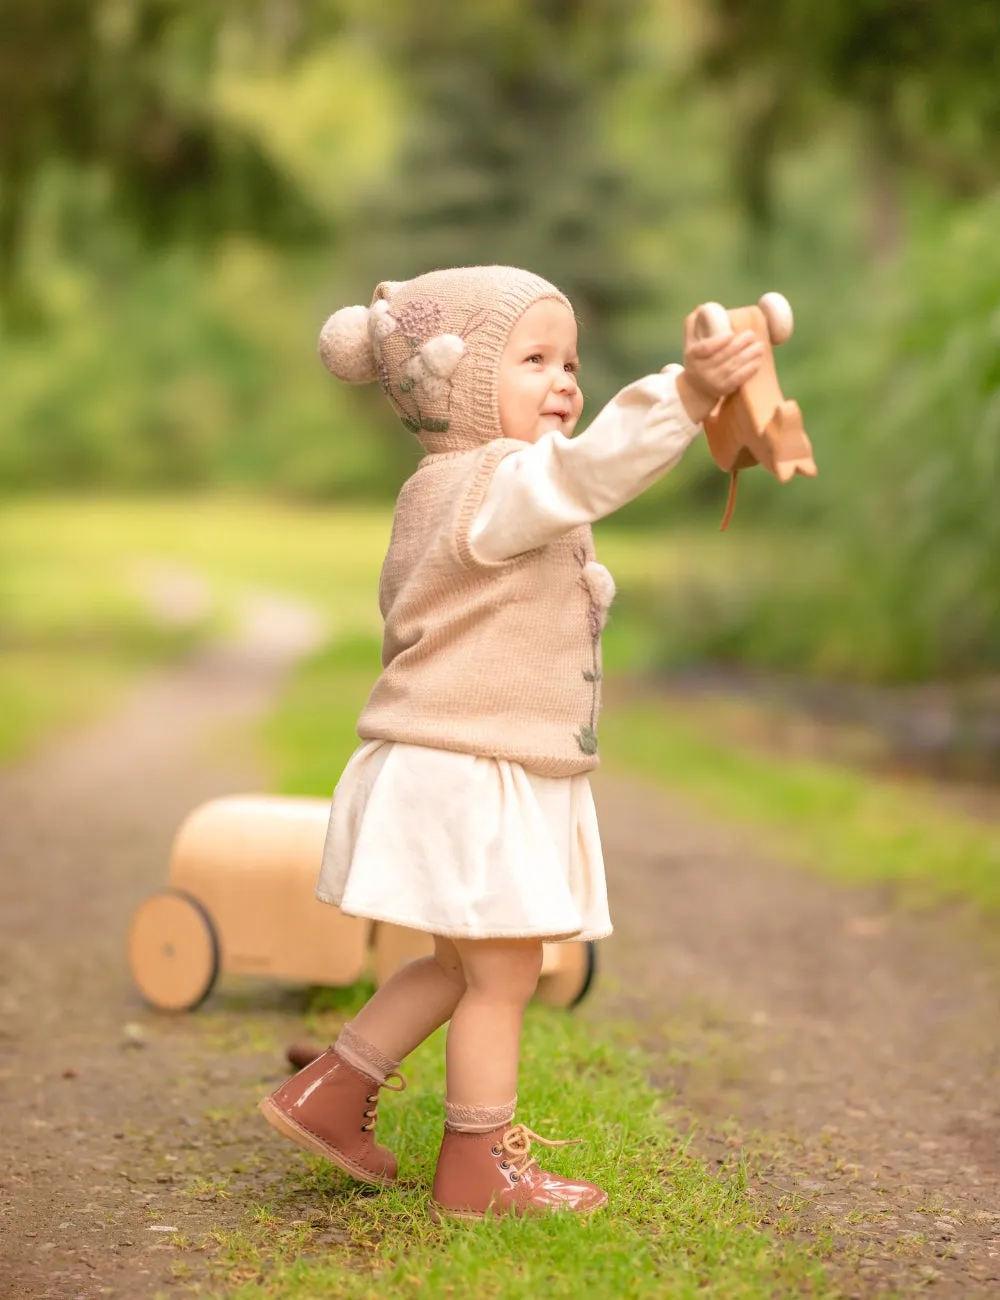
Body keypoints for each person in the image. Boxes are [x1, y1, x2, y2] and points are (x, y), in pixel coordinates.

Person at [258, 266, 763, 1220]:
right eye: (533, 359)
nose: (566, 379)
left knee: (457, 966)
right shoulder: (491, 484)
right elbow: (587, 472)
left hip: (448, 761)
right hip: (470, 768)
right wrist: (688, 395)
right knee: (504, 973)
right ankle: (480, 1169)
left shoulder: (452, 487)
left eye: (569, 359)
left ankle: (328, 1094)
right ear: (456, 386)